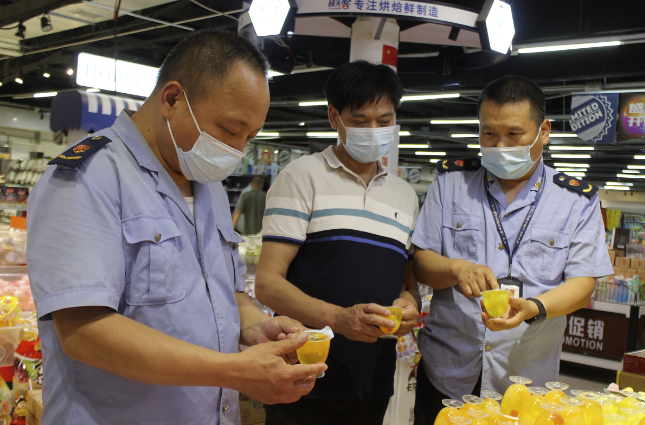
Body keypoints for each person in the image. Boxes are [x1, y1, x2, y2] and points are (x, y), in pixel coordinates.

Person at [26, 29, 325, 425]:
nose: (236, 151)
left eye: (249, 137)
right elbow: (84, 331)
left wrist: (259, 329)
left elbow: (227, 294)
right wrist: (232, 371)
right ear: (171, 100)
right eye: (229, 129)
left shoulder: (209, 185)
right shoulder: (88, 177)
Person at [410, 76, 613, 424]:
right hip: (446, 371)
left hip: (526, 381)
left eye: (513, 134)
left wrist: (534, 307)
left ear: (543, 131)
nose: (500, 145)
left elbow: (583, 285)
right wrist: (456, 269)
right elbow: (421, 263)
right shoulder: (451, 184)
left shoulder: (575, 201)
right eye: (489, 133)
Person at [255, 60, 421, 425]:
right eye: (360, 121)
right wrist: (339, 319)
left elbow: (409, 285)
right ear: (335, 118)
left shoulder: (405, 195)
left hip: (372, 380)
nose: (374, 130)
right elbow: (268, 283)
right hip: (303, 372)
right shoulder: (302, 176)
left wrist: (408, 309)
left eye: (384, 120)